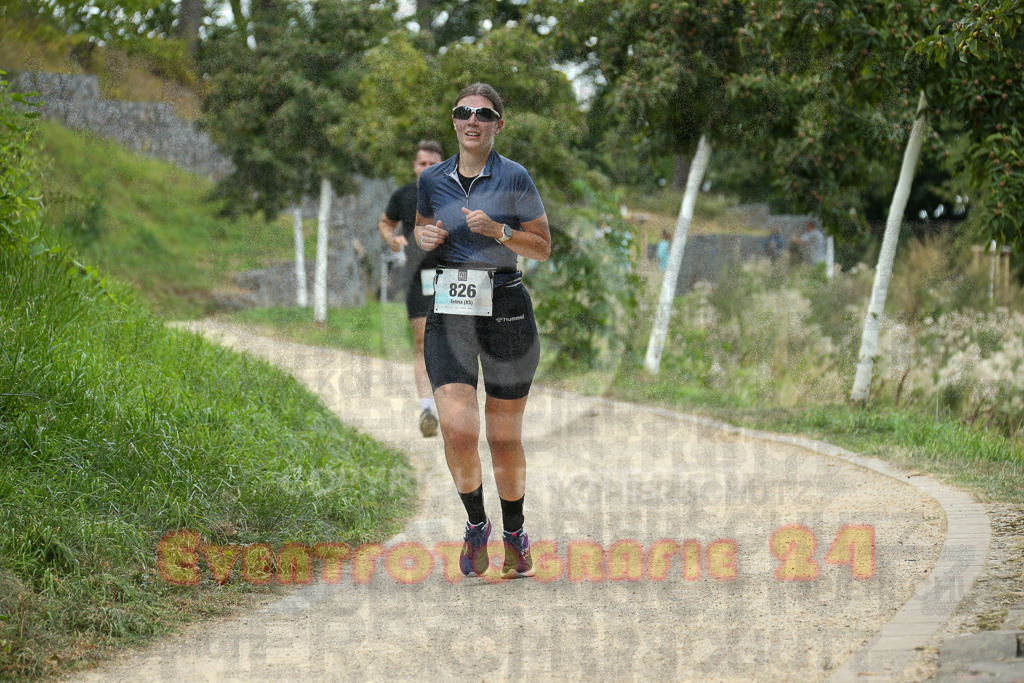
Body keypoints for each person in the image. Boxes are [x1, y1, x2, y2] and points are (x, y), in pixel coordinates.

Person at [414, 83, 551, 579]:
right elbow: (421, 227)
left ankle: (514, 531)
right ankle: (476, 524)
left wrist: (500, 232)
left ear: (497, 124)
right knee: (458, 428)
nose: (472, 120)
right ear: (454, 121)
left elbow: (541, 247)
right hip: (450, 306)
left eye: (483, 114)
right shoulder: (433, 179)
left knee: (503, 437)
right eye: (463, 112)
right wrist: (424, 236)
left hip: (506, 306)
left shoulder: (515, 177)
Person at [378, 140, 445, 437]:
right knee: (422, 344)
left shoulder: (458, 193)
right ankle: (428, 409)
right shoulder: (403, 196)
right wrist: (392, 240)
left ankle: (456, 408)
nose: (427, 169)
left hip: (454, 279)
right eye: (422, 164)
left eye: (433, 164)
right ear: (414, 166)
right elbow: (385, 223)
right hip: (418, 278)